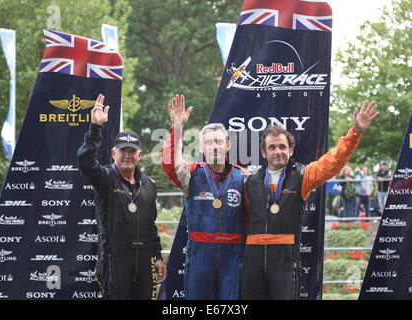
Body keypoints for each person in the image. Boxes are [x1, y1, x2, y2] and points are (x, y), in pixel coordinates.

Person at [241, 100, 379, 300]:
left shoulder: (303, 175)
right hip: (252, 258)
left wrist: (354, 133)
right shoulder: (250, 181)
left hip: (285, 259)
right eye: (272, 147)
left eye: (282, 146)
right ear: (264, 152)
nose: (278, 151)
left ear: (291, 150)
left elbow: (333, 161)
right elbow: (246, 218)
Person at [77, 94, 166, 300]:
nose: (128, 155)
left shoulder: (149, 185)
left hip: (144, 258)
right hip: (115, 256)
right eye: (123, 151)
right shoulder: (105, 178)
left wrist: (158, 257)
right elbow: (85, 161)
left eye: (132, 151)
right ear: (113, 153)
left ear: (140, 155)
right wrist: (95, 129)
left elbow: (150, 225)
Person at [161, 94, 249, 300]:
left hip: (233, 253)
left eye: (219, 141)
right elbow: (169, 163)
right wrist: (177, 127)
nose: (214, 146)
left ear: (228, 145)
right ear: (201, 147)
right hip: (200, 253)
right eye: (209, 143)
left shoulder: (244, 177)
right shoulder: (191, 174)